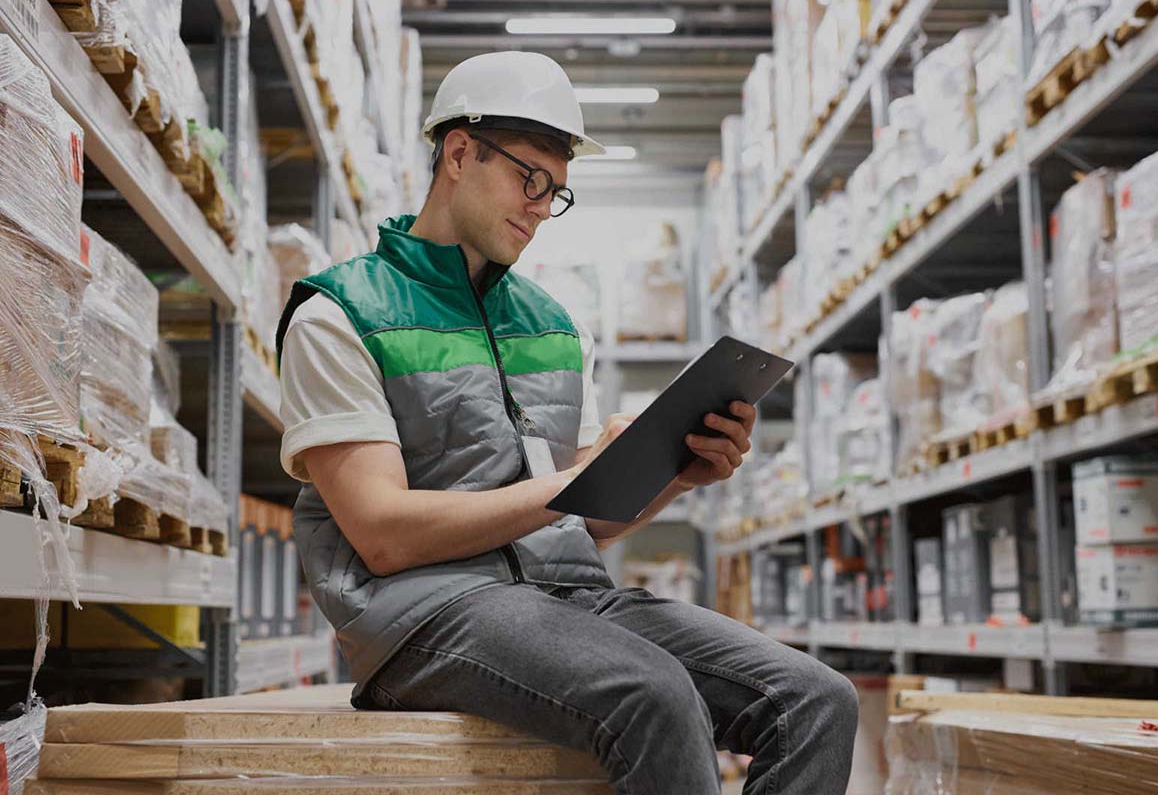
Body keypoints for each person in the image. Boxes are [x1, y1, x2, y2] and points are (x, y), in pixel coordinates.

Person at [275, 50, 858, 795]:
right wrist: (574, 482)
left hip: (569, 600)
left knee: (814, 701)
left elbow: (584, 524)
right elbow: (384, 537)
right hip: (425, 615)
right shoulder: (340, 315)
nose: (542, 207)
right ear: (459, 153)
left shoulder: (554, 327)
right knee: (653, 692)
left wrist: (676, 472)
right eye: (530, 178)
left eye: (558, 192)